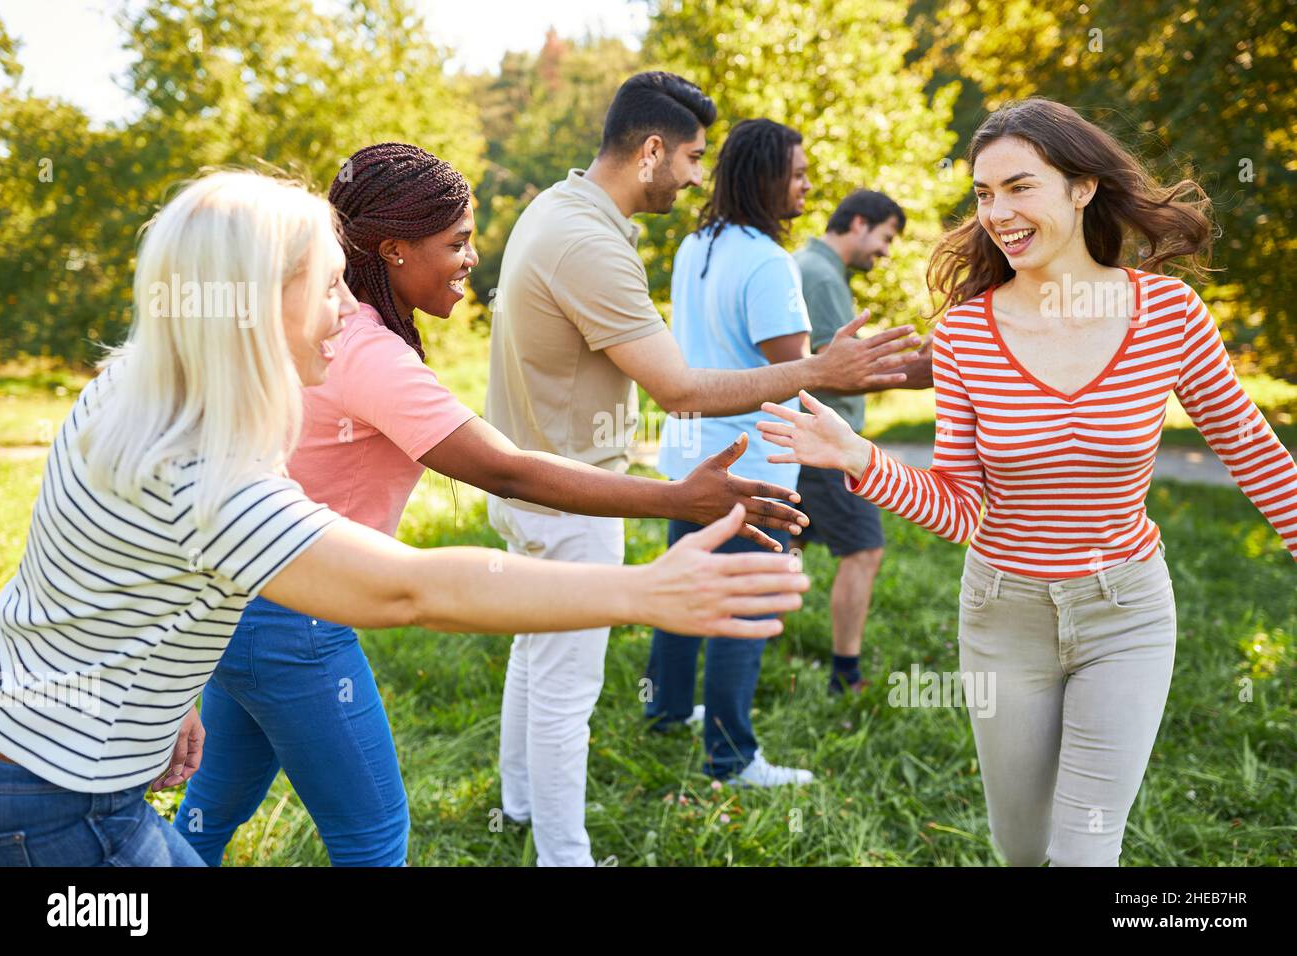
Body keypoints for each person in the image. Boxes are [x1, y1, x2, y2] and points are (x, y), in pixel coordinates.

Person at [0, 169, 810, 867]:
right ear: (252, 302)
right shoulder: (210, 473)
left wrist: (170, 705)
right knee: (374, 832)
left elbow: (113, 583)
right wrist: (641, 590)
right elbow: (411, 589)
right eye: (324, 284)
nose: (341, 308)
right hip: (65, 807)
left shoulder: (134, 383)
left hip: (45, 760)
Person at [757, 97, 1297, 866]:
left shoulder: (1169, 315)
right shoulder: (968, 333)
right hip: (1003, 617)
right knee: (1021, 850)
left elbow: (1252, 449)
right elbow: (960, 509)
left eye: (1019, 187)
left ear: (1082, 188)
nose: (997, 213)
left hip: (1127, 614)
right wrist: (859, 459)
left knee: (1084, 850)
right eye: (983, 195)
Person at [486, 72, 920, 865]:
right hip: (575, 489)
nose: (695, 177)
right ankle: (564, 854)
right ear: (651, 149)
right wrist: (822, 371)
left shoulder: (561, 210)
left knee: (536, 649)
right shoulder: (592, 241)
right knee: (567, 691)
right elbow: (680, 389)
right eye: (688, 158)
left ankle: (518, 804)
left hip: (538, 475)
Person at [793, 189, 933, 695]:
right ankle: (844, 674)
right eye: (886, 237)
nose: (887, 251)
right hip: (825, 441)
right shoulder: (822, 276)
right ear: (858, 223)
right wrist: (916, 374)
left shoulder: (808, 265)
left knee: (782, 546)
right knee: (865, 549)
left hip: (802, 434)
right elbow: (835, 373)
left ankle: (747, 643)